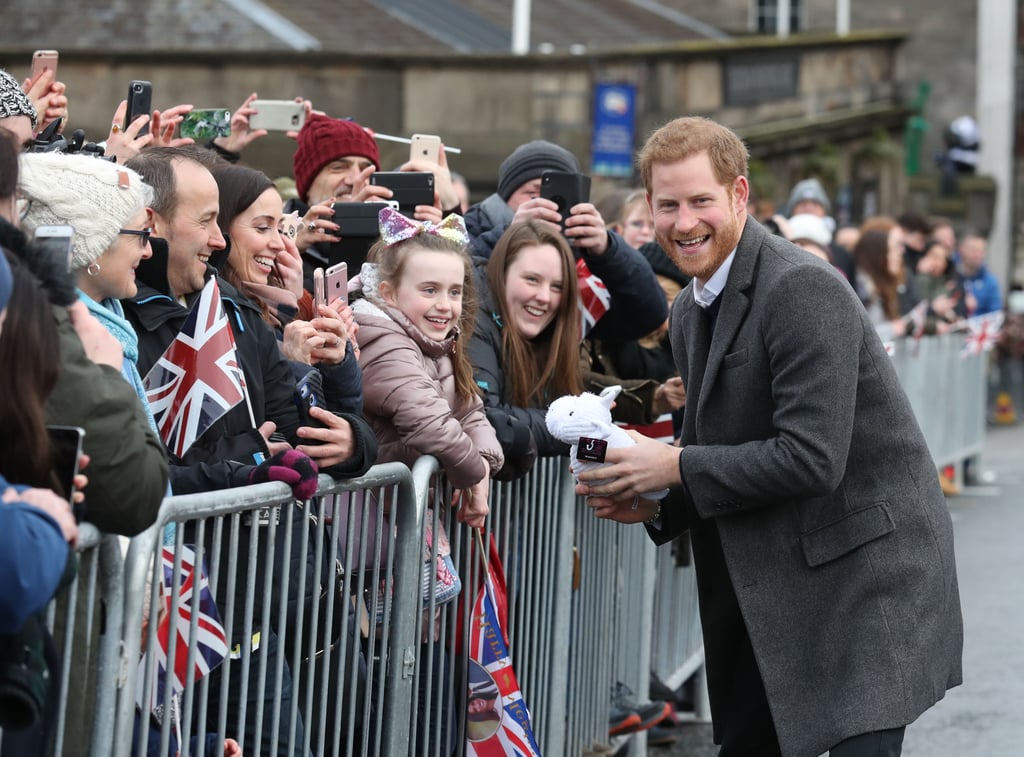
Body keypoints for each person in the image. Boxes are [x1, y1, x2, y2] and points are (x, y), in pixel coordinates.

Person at [576, 116, 963, 757]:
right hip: (778, 575)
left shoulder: (804, 288)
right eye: (666, 204)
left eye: (701, 200)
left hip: (865, 576)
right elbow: (717, 444)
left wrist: (671, 469)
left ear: (739, 195)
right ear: (647, 205)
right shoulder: (687, 310)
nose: (682, 221)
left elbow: (811, 459)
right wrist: (653, 500)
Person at [353, 207, 502, 521]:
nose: (445, 306)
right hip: (376, 522)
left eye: (455, 292)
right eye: (430, 290)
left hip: (409, 516)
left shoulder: (433, 343)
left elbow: (469, 409)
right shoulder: (383, 341)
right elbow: (430, 424)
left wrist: (485, 461)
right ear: (388, 294)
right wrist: (473, 472)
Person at [463, 139, 667, 343]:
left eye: (556, 197)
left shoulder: (579, 253)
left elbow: (650, 315)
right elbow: (458, 283)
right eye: (532, 194)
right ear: (505, 198)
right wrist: (511, 235)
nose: (544, 204)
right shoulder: (471, 228)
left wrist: (608, 250)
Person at [208, 161, 365, 415]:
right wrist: (294, 366)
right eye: (262, 228)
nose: (279, 244)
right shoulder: (213, 317)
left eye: (280, 229)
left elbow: (339, 422)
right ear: (220, 228)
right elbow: (285, 430)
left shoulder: (278, 308)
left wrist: (339, 360)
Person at [467, 219, 584, 472]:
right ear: (501, 274)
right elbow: (486, 416)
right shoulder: (473, 316)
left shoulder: (548, 334)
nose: (544, 297)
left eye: (557, 287)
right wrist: (576, 428)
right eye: (532, 279)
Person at [956, 232, 1002, 316]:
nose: (978, 254)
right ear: (961, 250)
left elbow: (995, 314)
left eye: (981, 250)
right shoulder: (951, 275)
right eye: (973, 250)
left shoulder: (990, 281)